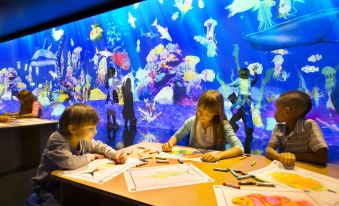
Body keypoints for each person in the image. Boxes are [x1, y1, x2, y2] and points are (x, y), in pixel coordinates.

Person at [32, 104, 127, 205]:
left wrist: (115, 155)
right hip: (49, 185)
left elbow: (100, 147)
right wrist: (92, 156)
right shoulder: (57, 140)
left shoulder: (81, 138)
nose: (95, 132)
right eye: (90, 128)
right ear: (72, 129)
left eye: (95, 127)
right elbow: (70, 163)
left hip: (69, 181)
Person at [162, 90, 244, 163]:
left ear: (216, 113)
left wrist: (219, 155)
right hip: (192, 161)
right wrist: (169, 144)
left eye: (207, 113)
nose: (200, 115)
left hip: (212, 163)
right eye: (199, 110)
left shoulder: (223, 126)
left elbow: (239, 148)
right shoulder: (192, 121)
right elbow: (177, 136)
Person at [265, 91, 328, 167]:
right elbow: (269, 149)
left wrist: (292, 155)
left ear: (287, 111)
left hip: (307, 170)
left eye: (277, 109)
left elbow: (322, 158)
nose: (274, 112)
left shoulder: (309, 125)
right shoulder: (278, 127)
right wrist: (281, 157)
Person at [228, 67, 258, 154]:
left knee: (246, 117)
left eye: (246, 72)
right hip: (241, 99)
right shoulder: (239, 80)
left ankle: (248, 136)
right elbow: (232, 84)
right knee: (236, 113)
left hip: (246, 101)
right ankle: (235, 128)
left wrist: (255, 72)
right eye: (243, 72)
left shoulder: (249, 81)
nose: (244, 74)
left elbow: (255, 79)